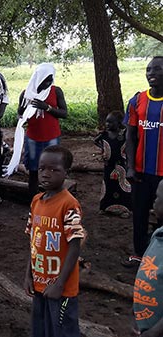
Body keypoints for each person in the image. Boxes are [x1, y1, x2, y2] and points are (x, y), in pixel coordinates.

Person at [23, 145, 85, 337]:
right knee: (41, 329)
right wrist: (29, 274)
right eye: (42, 169)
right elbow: (34, 243)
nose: (46, 174)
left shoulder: (69, 204)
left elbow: (75, 246)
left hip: (61, 289)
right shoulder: (36, 201)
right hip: (40, 283)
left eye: (54, 170)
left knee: (63, 330)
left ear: (67, 172)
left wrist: (59, 283)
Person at [123, 56, 163, 267]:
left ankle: (160, 256)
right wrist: (129, 166)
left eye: (157, 69)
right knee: (139, 214)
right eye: (148, 69)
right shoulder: (137, 101)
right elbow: (130, 136)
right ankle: (139, 255)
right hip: (140, 171)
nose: (151, 73)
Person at [16, 63, 68, 197]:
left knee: (53, 168)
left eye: (51, 79)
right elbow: (20, 113)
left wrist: (47, 108)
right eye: (46, 80)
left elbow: (64, 113)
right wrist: (23, 114)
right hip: (33, 137)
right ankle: (34, 201)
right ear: (39, 79)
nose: (49, 83)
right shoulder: (27, 93)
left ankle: (53, 199)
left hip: (51, 137)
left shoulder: (55, 91)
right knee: (34, 170)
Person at [133, 180, 163, 336]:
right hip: (146, 323)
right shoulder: (157, 237)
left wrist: (154, 332)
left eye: (158, 198)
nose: (154, 202)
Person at [93, 112, 131, 218]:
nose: (107, 124)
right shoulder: (104, 134)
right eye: (107, 122)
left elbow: (132, 140)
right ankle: (105, 207)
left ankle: (125, 209)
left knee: (122, 186)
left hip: (122, 165)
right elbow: (95, 141)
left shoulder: (123, 134)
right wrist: (103, 149)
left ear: (119, 123)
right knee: (108, 185)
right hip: (108, 165)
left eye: (110, 122)